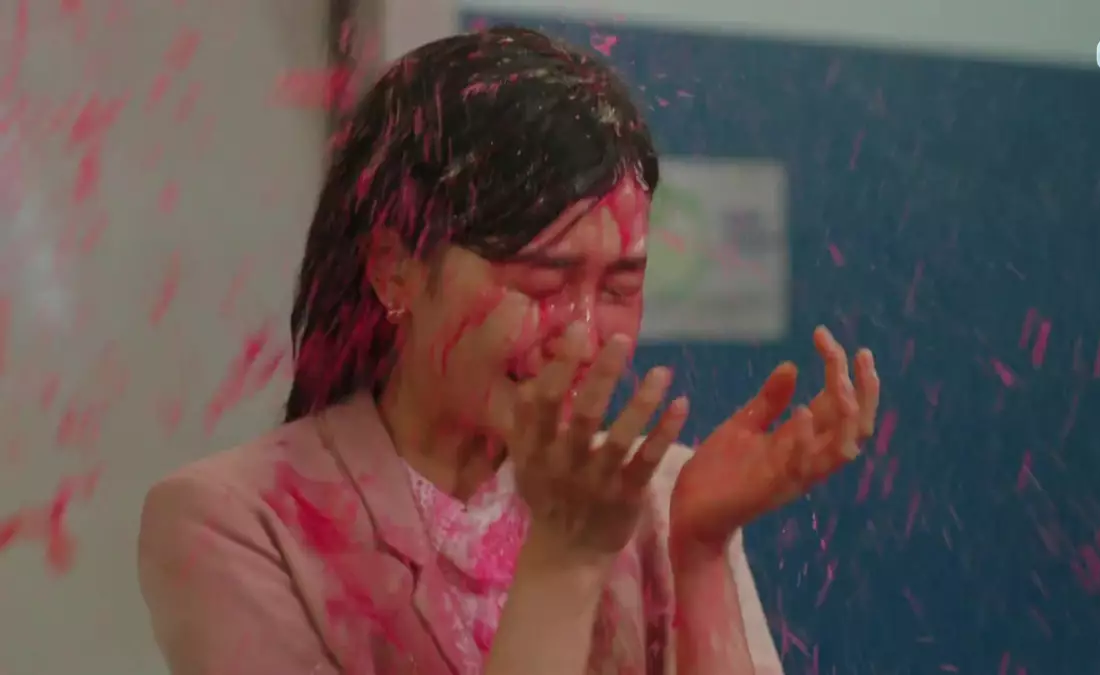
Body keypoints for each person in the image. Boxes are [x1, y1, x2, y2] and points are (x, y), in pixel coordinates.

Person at [137, 26, 881, 675]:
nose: (583, 337)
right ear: (395, 269)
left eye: (620, 287)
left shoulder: (657, 495)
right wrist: (564, 558)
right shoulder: (237, 520)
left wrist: (702, 549)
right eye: (541, 283)